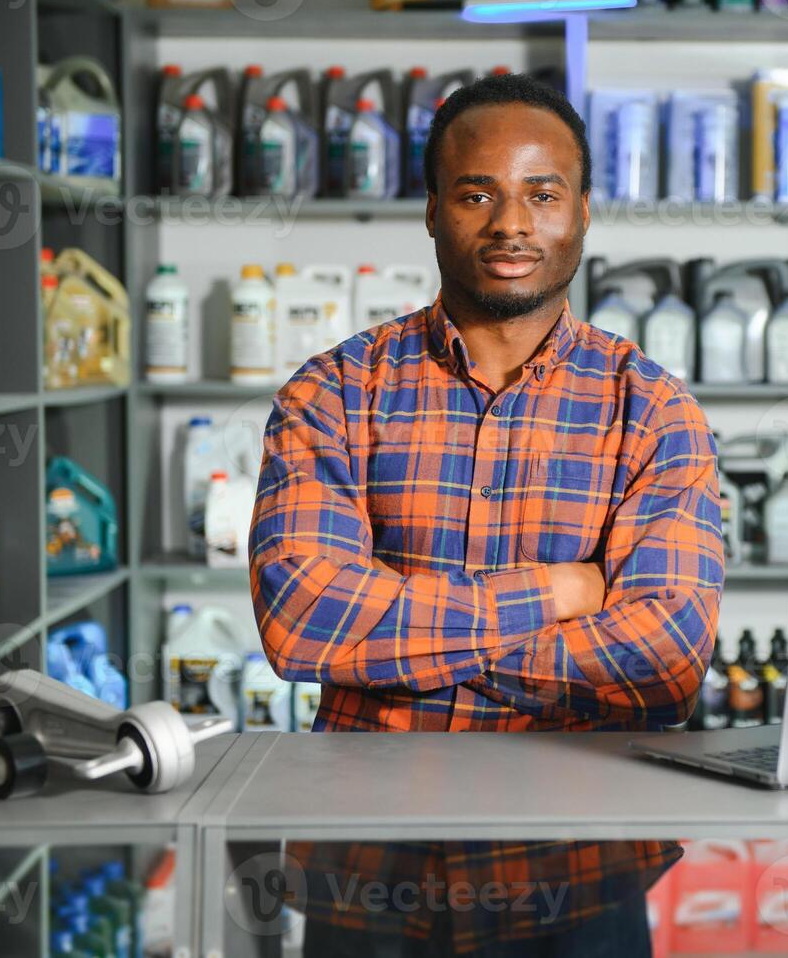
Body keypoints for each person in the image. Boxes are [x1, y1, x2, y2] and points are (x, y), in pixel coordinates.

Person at [250, 72, 725, 955]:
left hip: (578, 875)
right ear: (432, 209)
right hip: (371, 877)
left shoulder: (651, 409)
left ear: (582, 210)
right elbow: (303, 622)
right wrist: (556, 591)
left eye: (542, 194)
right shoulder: (335, 392)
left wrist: (398, 652)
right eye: (478, 193)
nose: (511, 224)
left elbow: (663, 661)